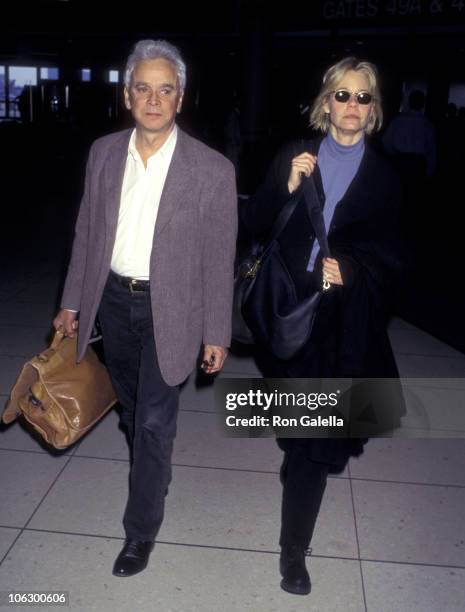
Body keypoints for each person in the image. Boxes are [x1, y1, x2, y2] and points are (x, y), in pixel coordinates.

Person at [52, 39, 237, 577]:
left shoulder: (212, 170)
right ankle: (153, 467)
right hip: (112, 300)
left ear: (180, 98)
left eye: (166, 90)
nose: (153, 100)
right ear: (127, 94)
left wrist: (216, 332)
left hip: (172, 308)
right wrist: (71, 300)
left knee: (155, 422)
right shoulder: (104, 152)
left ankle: (140, 532)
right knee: (132, 412)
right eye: (143, 88)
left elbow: (217, 257)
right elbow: (87, 231)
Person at [242, 57, 404, 596]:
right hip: (293, 307)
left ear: (374, 107)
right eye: (342, 95)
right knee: (300, 427)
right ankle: (296, 456)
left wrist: (354, 268)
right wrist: (284, 188)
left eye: (363, 97)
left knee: (318, 439)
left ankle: (293, 551)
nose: (351, 107)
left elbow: (397, 257)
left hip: (343, 320)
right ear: (325, 101)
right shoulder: (296, 154)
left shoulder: (385, 177)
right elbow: (257, 224)